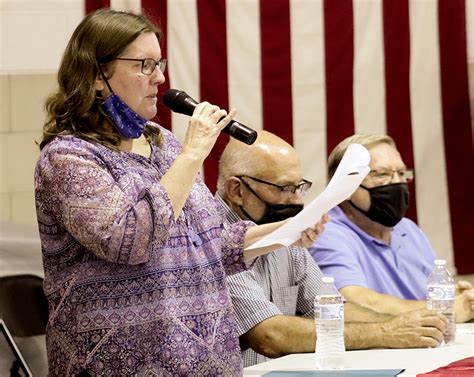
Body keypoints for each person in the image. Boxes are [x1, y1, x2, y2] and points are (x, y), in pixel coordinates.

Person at [34, 9, 325, 376]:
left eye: (160, 63)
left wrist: (286, 233)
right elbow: (131, 239)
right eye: (144, 64)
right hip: (115, 366)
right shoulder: (68, 158)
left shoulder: (164, 145)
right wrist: (192, 155)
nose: (160, 77)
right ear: (96, 75)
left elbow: (212, 241)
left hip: (206, 363)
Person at [217, 131, 448, 367]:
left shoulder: (284, 231)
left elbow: (334, 309)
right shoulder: (215, 239)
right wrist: (386, 332)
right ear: (237, 191)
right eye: (285, 189)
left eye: (300, 187)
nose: (297, 200)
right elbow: (269, 336)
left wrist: (410, 323)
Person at [308, 134, 474, 323]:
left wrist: (459, 297)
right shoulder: (324, 233)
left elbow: (433, 290)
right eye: (382, 174)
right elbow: (352, 301)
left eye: (402, 174)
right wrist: (445, 308)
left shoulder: (408, 229)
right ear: (345, 185)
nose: (396, 183)